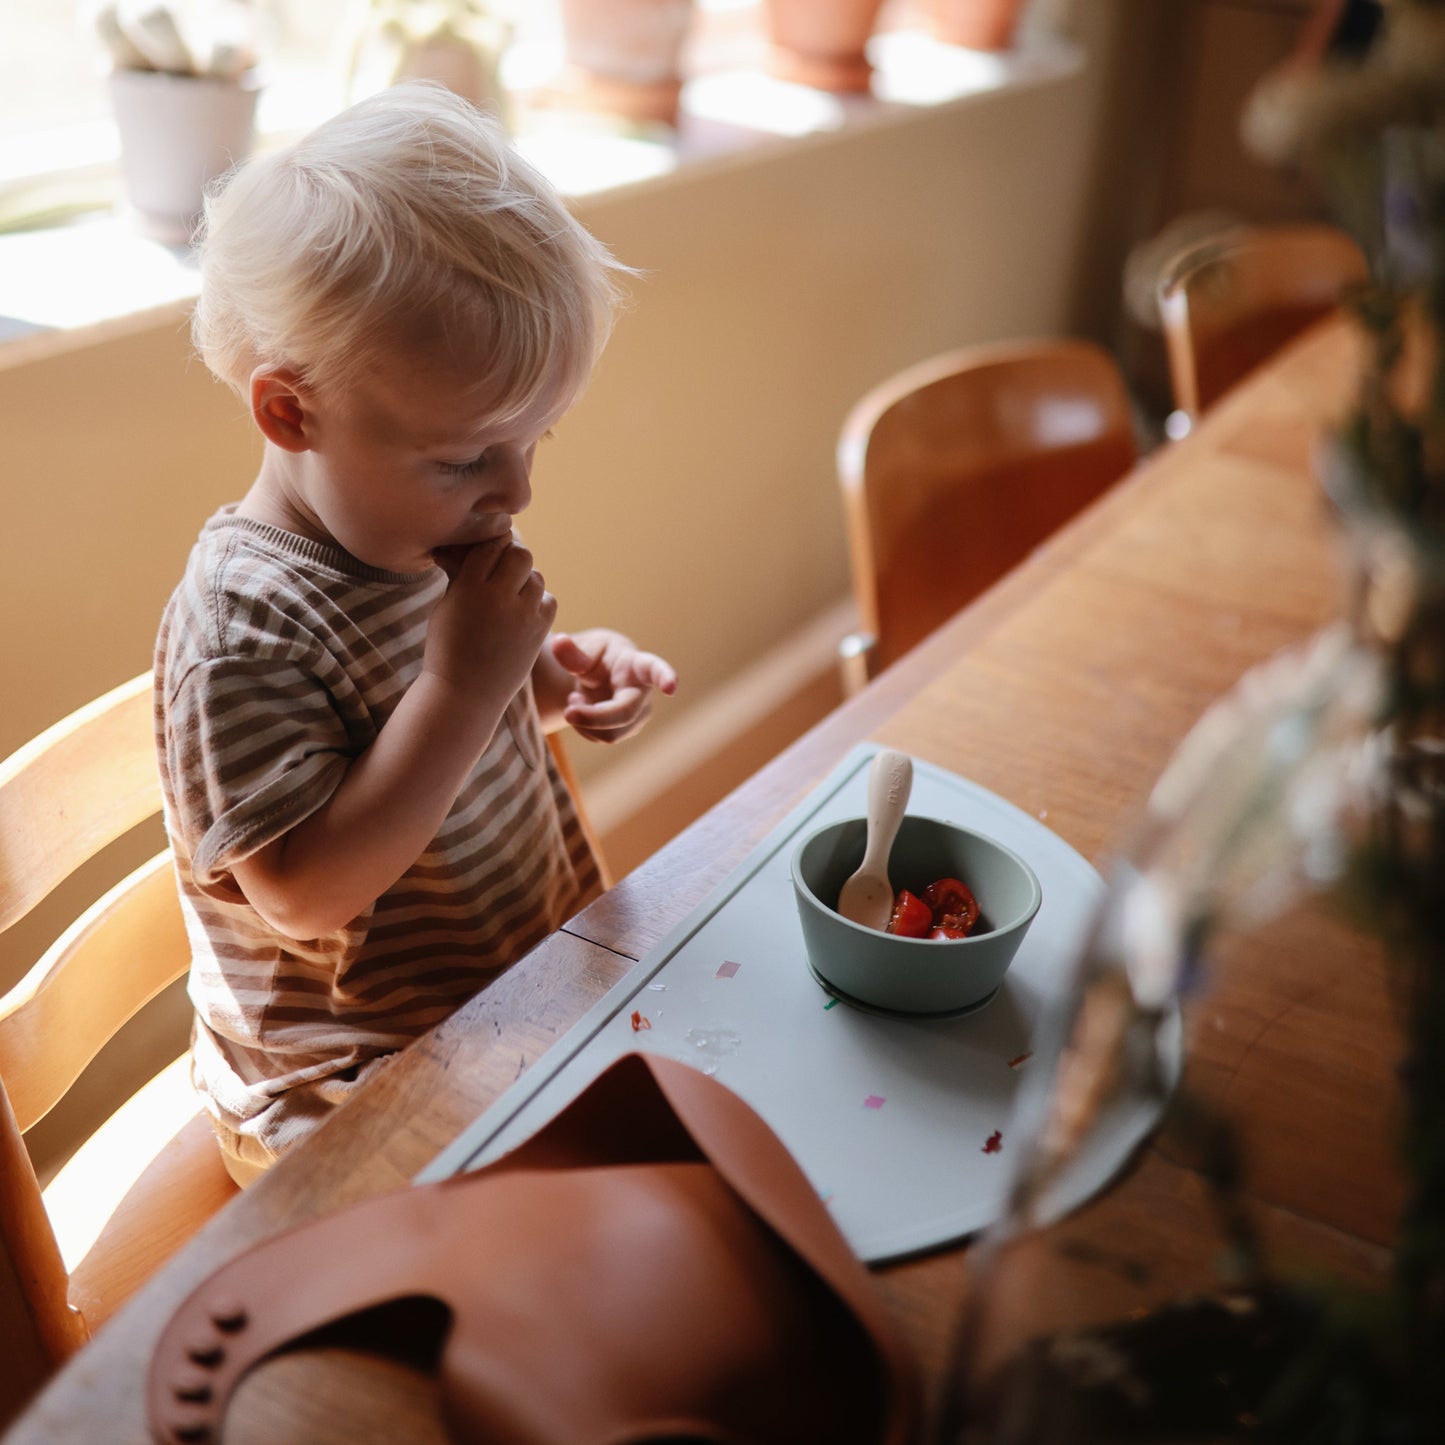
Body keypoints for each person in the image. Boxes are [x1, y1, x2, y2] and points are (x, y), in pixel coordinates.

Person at [154, 81, 677, 1186]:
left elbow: (469, 723)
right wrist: (459, 684)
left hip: (502, 994)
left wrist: (556, 680)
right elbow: (304, 892)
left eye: (538, 437)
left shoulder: (413, 528)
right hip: (348, 1079)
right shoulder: (243, 630)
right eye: (467, 455)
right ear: (290, 410)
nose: (517, 489)